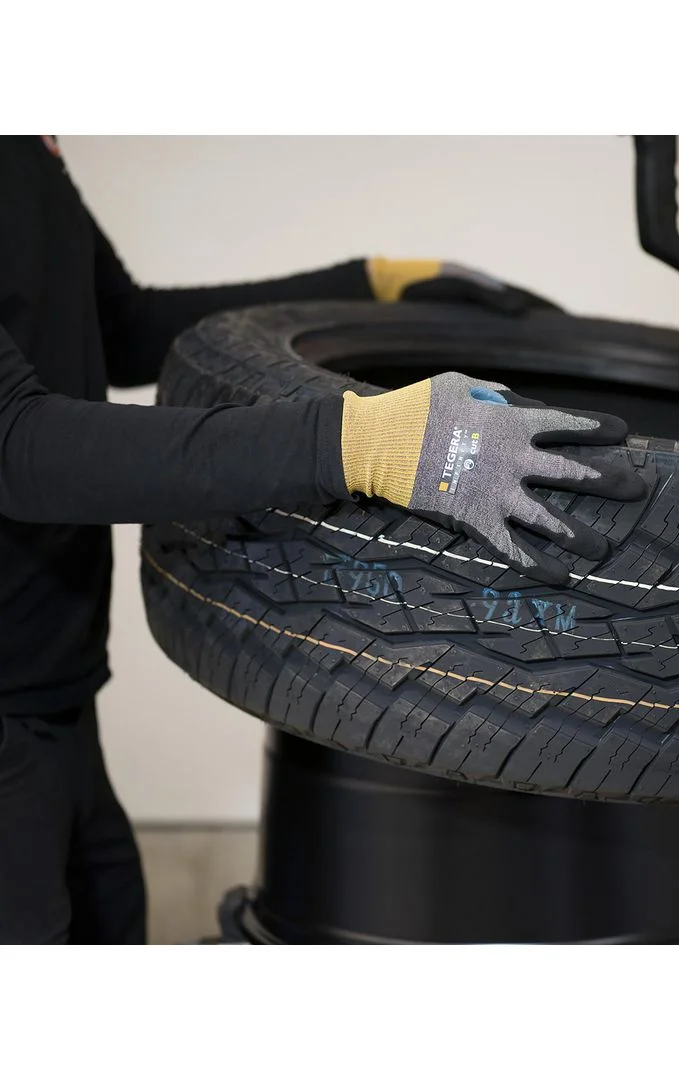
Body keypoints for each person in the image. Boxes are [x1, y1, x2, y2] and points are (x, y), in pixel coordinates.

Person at [0, 136, 644, 944]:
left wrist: (367, 284)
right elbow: (18, 446)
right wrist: (364, 441)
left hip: (53, 692)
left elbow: (119, 326)